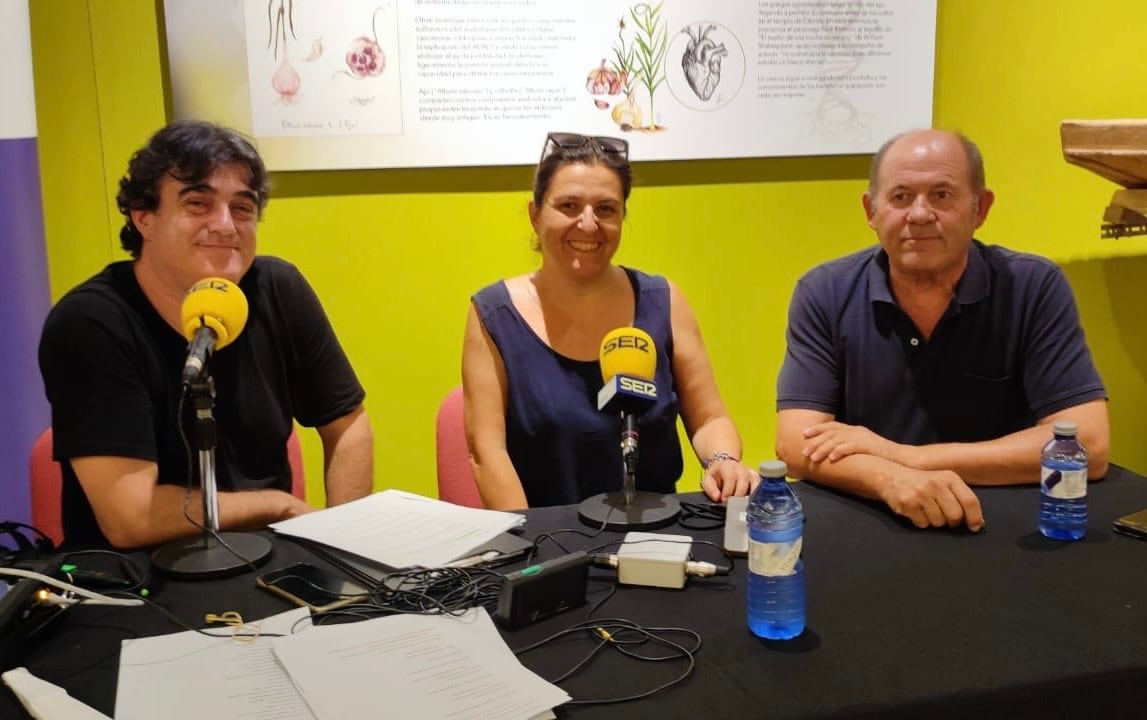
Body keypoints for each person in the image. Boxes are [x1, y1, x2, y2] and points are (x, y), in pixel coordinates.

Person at [38, 120, 373, 548]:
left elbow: (348, 425)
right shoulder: (90, 323)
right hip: (139, 581)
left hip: (268, 561)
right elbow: (131, 519)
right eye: (198, 204)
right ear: (144, 218)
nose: (226, 226)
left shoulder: (278, 288)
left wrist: (344, 546)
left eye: (242, 208)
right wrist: (278, 506)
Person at [775, 129, 1109, 532]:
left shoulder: (1032, 286)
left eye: (942, 195)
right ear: (871, 210)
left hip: (1001, 523)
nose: (919, 214)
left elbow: (1087, 445)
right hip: (870, 517)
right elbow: (795, 446)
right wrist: (889, 477)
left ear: (980, 208)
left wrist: (908, 457)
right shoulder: (824, 291)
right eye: (900, 197)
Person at [462, 131, 757, 510]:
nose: (588, 224)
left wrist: (723, 461)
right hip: (550, 544)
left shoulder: (664, 300)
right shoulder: (493, 315)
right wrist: (534, 547)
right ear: (535, 215)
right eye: (569, 206)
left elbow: (710, 419)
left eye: (606, 209)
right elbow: (487, 455)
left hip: (657, 538)